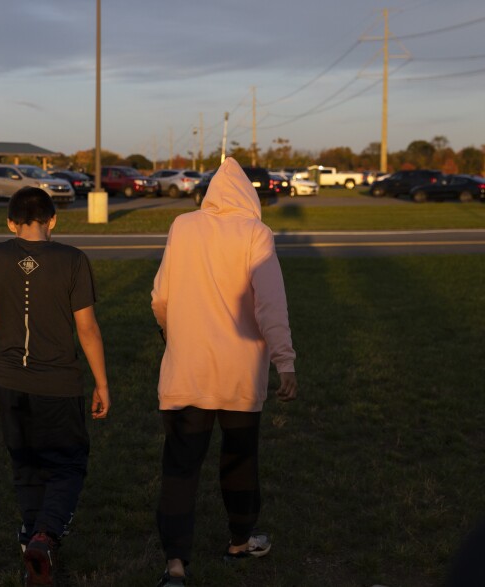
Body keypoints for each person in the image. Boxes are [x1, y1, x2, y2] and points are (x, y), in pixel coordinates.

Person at [150, 157, 298, 586]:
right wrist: (284, 361)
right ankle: (240, 540)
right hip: (240, 375)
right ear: (249, 196)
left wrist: (169, 330)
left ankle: (175, 563)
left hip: (187, 372)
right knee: (239, 459)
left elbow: (161, 295)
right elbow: (270, 304)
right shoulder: (257, 233)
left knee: (180, 465)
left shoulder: (183, 226)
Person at [0, 187, 110, 586]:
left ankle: (30, 537)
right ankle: (45, 535)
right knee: (67, 463)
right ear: (53, 219)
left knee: (26, 461)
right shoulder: (73, 259)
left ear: (10, 222)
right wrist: (102, 382)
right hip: (59, 383)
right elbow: (87, 328)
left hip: (10, 381)